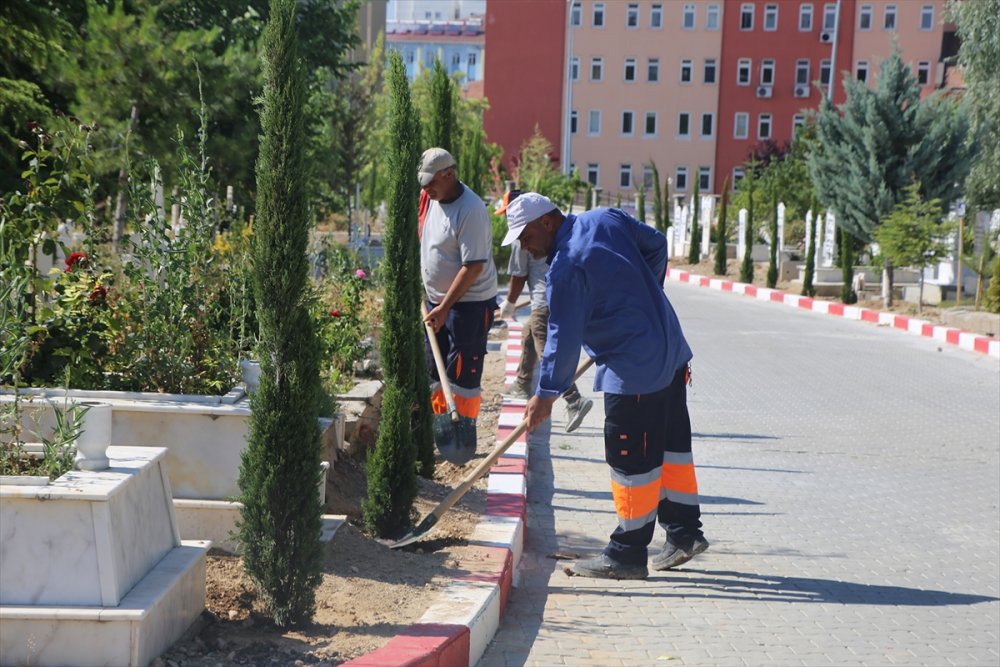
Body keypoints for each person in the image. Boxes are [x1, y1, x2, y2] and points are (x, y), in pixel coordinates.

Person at [500, 192, 708, 580]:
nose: (525, 247)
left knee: (630, 458)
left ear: (547, 222)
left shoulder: (566, 266)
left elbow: (562, 340)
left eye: (526, 237)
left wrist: (546, 394)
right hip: (669, 349)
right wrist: (643, 296)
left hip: (635, 369)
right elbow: (657, 245)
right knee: (670, 447)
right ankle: (684, 533)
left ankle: (627, 553)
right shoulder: (606, 218)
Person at [417, 147, 498, 460]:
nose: (426, 188)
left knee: (462, 373)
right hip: (437, 304)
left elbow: (473, 266)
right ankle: (443, 436)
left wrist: (445, 307)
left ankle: (462, 444)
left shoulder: (470, 210)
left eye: (431, 182)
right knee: (435, 370)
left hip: (469, 306)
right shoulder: (430, 199)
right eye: (423, 183)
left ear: (449, 174)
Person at [495, 189, 593, 433]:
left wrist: (509, 303)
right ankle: (522, 383)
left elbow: (518, 276)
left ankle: (573, 399)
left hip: (543, 300)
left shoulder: (522, 234)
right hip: (546, 297)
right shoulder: (539, 230)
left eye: (507, 212)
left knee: (545, 347)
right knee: (528, 334)